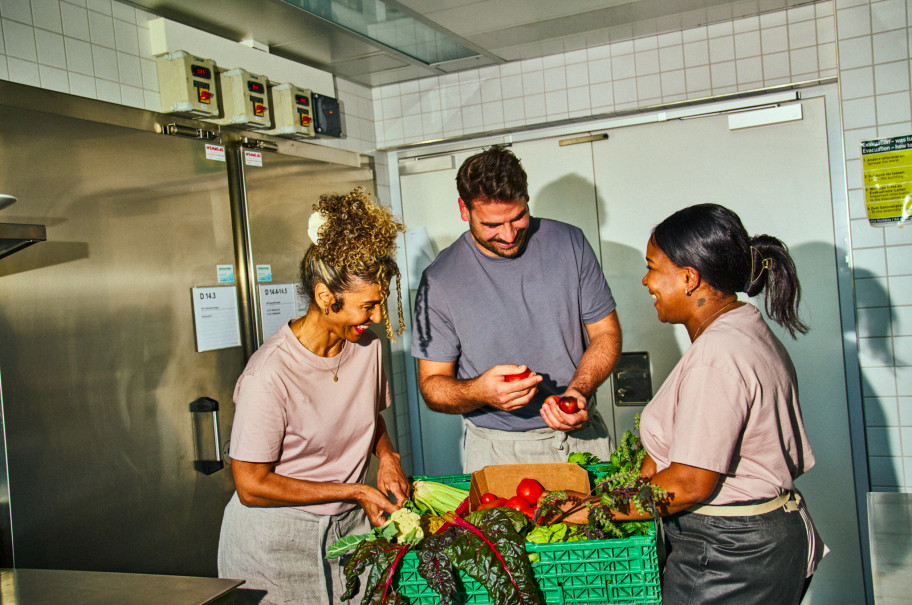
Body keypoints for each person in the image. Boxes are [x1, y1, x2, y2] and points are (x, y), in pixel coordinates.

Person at [618, 203, 827, 603]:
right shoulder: (742, 327)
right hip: (758, 541)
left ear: (688, 277)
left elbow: (688, 484)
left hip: (731, 554)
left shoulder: (718, 356)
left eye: (652, 267)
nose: (646, 281)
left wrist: (595, 511)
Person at [218, 188, 410, 604]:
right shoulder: (269, 374)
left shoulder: (367, 348)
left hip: (348, 528)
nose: (377, 318)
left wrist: (388, 457)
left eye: (380, 305)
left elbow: (366, 416)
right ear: (325, 297)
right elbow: (250, 485)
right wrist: (354, 491)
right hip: (274, 541)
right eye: (368, 306)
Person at [411, 145, 622, 473]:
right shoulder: (439, 280)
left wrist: (578, 391)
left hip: (581, 438)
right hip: (497, 452)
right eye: (492, 224)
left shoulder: (570, 243)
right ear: (464, 210)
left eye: (518, 217)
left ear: (526, 198)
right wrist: (480, 391)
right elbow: (432, 386)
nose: (508, 235)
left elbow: (606, 333)